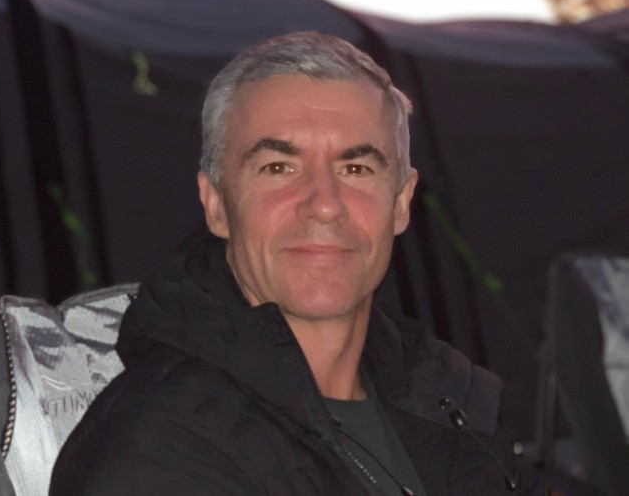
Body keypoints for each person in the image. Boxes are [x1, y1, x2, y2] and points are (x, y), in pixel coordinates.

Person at [50, 32, 540, 495]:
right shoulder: (161, 449)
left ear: (401, 203)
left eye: (355, 168)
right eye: (279, 168)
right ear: (216, 203)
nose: (324, 204)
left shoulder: (447, 397)